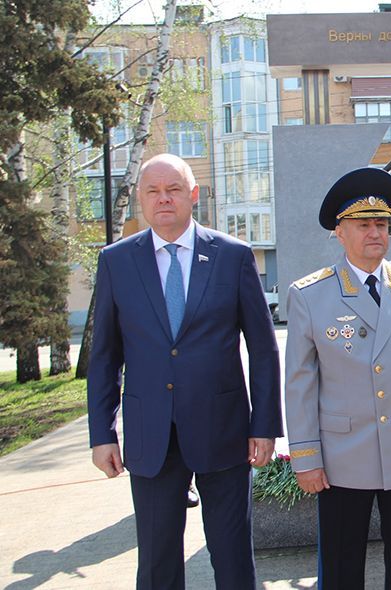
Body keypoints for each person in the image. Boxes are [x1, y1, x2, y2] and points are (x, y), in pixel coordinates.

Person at [87, 153, 283, 589]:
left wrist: (265, 426)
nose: (163, 199)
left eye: (173, 189)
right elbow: (104, 356)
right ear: (140, 198)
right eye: (153, 191)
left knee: (232, 556)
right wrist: (102, 434)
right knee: (157, 563)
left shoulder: (232, 256)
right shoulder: (117, 261)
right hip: (150, 434)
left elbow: (264, 349)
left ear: (192, 195)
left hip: (223, 430)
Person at [285, 167, 391, 590]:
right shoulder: (310, 294)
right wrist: (306, 456)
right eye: (362, 225)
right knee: (342, 567)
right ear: (339, 233)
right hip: (343, 455)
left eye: (381, 223)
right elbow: (300, 384)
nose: (374, 232)